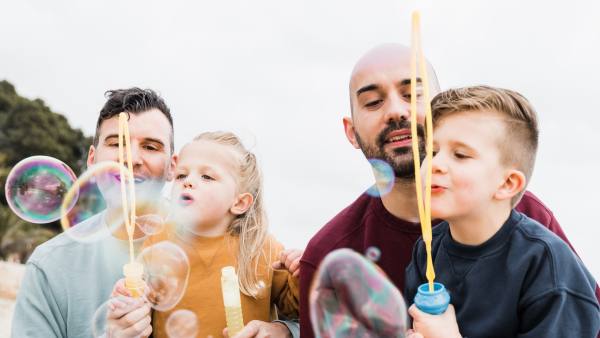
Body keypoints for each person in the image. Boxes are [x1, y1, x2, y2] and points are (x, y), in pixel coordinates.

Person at [299, 44, 600, 337]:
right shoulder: (335, 253)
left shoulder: (532, 229)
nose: (395, 111)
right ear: (351, 132)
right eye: (373, 102)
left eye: (412, 94)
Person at [405, 86, 599, 337]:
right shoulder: (427, 251)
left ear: (507, 184)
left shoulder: (547, 267)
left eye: (461, 155)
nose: (435, 164)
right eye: (431, 152)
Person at [12, 88, 176, 337]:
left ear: (172, 167)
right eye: (116, 143)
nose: (131, 159)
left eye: (151, 147)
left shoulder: (220, 244)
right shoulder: (49, 266)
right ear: (92, 158)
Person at [111, 131, 300, 338]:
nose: (188, 182)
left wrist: (300, 274)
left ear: (239, 202)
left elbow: (294, 310)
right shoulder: (159, 239)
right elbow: (142, 298)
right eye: (182, 175)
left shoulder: (261, 248)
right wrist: (129, 297)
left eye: (207, 176)